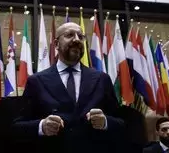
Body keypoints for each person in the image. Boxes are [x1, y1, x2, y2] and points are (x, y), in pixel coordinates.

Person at [12, 22, 125, 153]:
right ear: (56, 44)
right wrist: (42, 126)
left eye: (80, 36)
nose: (76, 39)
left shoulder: (102, 79)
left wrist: (105, 122)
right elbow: (16, 127)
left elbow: (121, 123)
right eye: (69, 35)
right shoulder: (36, 81)